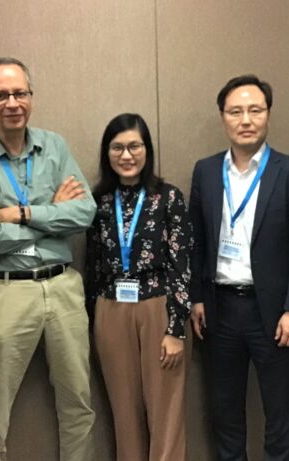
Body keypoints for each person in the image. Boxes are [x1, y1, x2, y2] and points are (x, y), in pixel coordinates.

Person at [0, 57, 97, 461]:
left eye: (20, 93)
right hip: (3, 291)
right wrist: (52, 215)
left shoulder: (54, 145)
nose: (12, 102)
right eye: (0, 95)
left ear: (30, 96)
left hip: (63, 286)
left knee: (78, 403)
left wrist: (23, 213)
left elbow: (84, 213)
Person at [189, 74, 289, 460]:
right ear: (223, 117)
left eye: (254, 110)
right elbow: (196, 240)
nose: (245, 119)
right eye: (235, 111)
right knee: (225, 410)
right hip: (221, 308)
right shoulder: (207, 171)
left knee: (280, 411)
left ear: (268, 115)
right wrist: (196, 297)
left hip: (275, 311)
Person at [85, 113, 192, 461]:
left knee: (166, 411)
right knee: (124, 412)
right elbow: (93, 266)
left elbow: (181, 265)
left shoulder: (168, 197)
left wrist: (176, 328)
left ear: (147, 150)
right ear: (107, 153)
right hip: (110, 311)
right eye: (117, 147)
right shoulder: (97, 202)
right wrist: (92, 320)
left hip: (158, 308)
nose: (126, 155)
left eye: (134, 146)